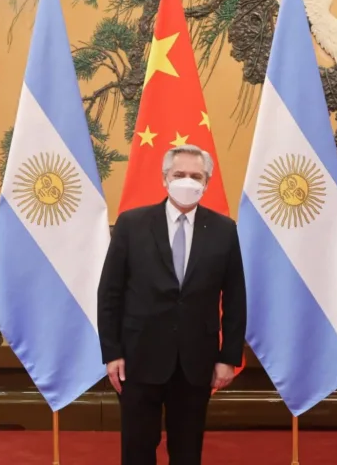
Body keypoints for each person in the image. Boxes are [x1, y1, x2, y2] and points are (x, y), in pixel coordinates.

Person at [97, 144, 246, 465]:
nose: (187, 181)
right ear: (165, 178)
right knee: (137, 449)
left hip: (196, 362)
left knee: (187, 450)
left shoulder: (224, 230)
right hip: (138, 358)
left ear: (206, 182)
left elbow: (235, 298)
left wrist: (228, 358)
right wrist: (112, 353)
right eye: (179, 174)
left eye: (196, 176)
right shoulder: (131, 224)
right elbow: (109, 293)